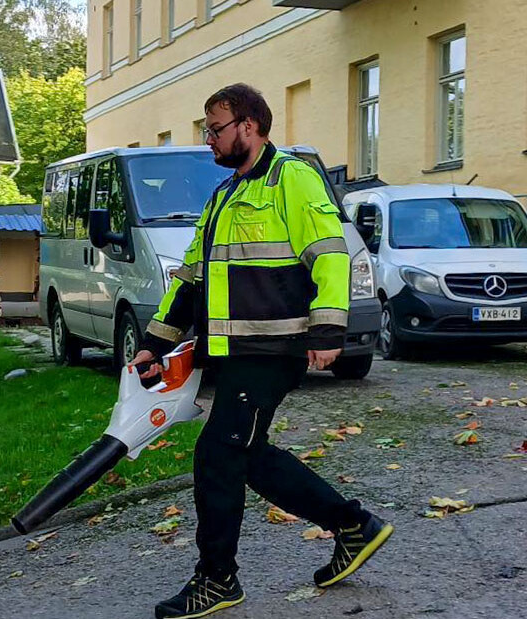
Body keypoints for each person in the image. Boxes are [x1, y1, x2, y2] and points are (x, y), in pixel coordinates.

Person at [129, 83, 394, 619]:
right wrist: (155, 342)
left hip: (275, 348)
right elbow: (192, 277)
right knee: (246, 452)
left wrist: (328, 331)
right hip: (235, 349)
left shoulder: (292, 178)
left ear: (248, 125)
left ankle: (217, 580)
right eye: (207, 129)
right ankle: (352, 525)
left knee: (219, 453)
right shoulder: (225, 195)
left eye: (215, 127)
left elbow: (330, 255)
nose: (209, 139)